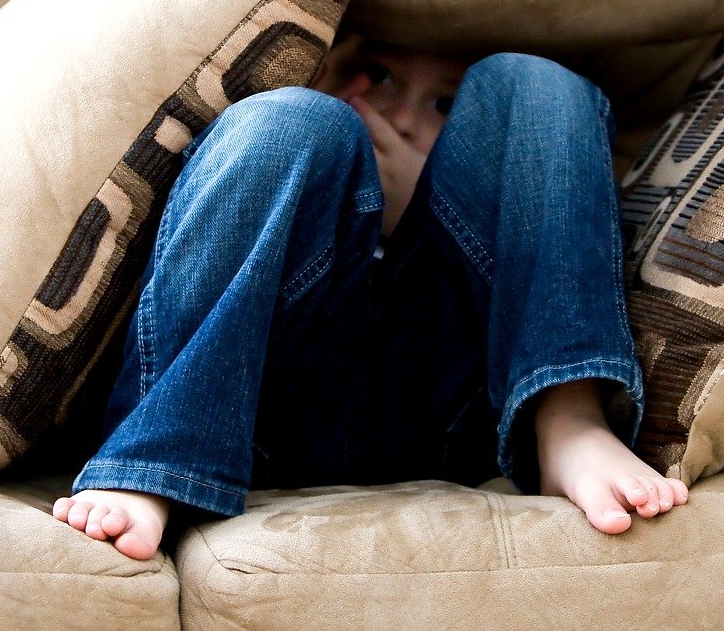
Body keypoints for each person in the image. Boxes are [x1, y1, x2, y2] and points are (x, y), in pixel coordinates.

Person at [51, 31, 689, 560]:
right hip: (264, 408)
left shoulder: (489, 163)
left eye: (446, 104)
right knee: (288, 120)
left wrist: (420, 204)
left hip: (449, 408)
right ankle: (158, 460)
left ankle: (566, 414)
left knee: (536, 83)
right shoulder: (321, 139)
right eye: (379, 76)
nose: (405, 116)